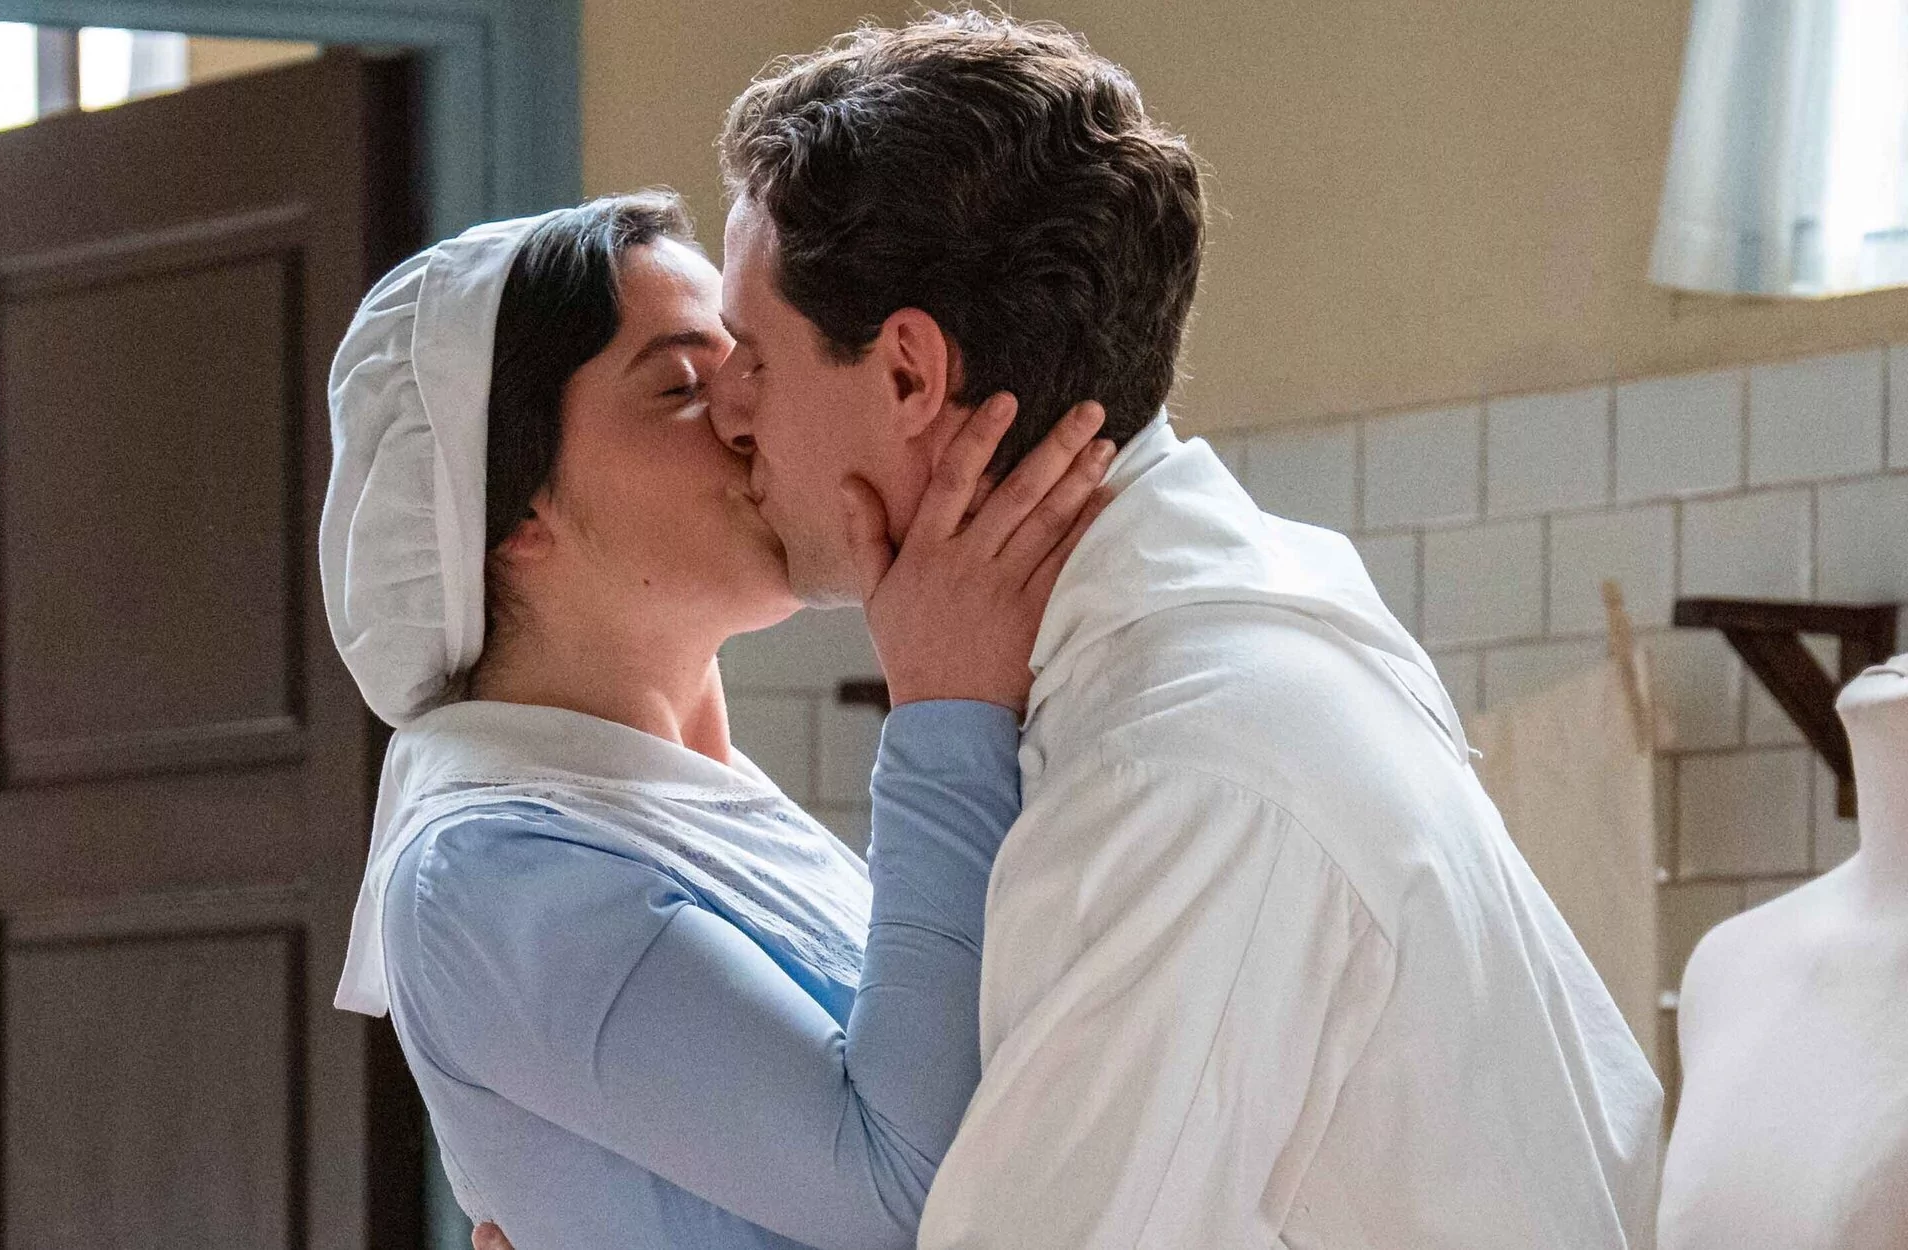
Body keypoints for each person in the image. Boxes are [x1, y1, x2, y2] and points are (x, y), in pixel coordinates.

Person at [704, 12, 1665, 1248]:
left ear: (907, 374)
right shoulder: (1226, 645)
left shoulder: (1177, 774)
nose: (725, 410)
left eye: (751, 353)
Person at [319, 191, 1113, 1249]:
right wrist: (943, 705)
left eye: (751, 366)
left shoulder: (698, 807)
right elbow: (923, 1192)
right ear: (510, 510)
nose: (748, 416)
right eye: (684, 388)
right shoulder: (487, 875)